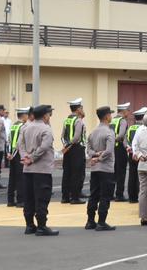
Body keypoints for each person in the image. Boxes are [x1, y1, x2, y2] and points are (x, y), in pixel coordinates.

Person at [19, 105, 58, 236]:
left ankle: (29, 225)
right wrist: (32, 158)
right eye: (49, 114)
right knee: (42, 198)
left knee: (29, 198)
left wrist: (25, 157)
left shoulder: (25, 127)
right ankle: (42, 226)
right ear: (45, 115)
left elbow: (20, 145)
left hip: (27, 169)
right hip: (42, 169)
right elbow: (44, 147)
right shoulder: (46, 129)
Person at [84, 106, 116, 231]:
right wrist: (100, 157)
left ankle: (90, 221)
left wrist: (95, 155)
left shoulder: (93, 132)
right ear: (107, 116)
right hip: (106, 168)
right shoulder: (109, 132)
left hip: (95, 169)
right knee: (105, 195)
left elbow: (88, 149)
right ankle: (101, 222)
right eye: (110, 114)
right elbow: (109, 150)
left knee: (93, 195)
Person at [60, 99, 87, 204]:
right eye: (81, 108)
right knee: (76, 173)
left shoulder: (66, 120)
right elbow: (76, 137)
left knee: (67, 172)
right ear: (78, 109)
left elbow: (62, 136)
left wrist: (66, 146)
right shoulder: (78, 120)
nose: (82, 109)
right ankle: (75, 197)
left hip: (67, 149)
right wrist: (70, 145)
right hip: (77, 149)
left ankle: (65, 197)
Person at [6, 107, 30, 207]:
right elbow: (20, 142)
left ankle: (10, 200)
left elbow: (9, 141)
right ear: (24, 116)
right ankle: (20, 200)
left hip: (12, 154)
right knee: (21, 178)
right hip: (19, 154)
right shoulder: (23, 126)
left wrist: (9, 153)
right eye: (27, 115)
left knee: (12, 177)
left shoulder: (13, 126)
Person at [126, 107, 146, 203]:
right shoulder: (143, 128)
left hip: (131, 154)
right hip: (140, 155)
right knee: (141, 176)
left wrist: (130, 148)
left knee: (132, 175)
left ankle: (131, 197)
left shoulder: (130, 127)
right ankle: (140, 196)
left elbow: (126, 140)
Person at [111, 102, 131, 202]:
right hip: (120, 149)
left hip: (111, 149)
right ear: (124, 111)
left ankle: (110, 194)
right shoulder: (122, 121)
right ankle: (119, 195)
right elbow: (121, 135)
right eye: (128, 110)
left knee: (112, 172)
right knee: (121, 172)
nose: (129, 112)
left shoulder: (112, 120)